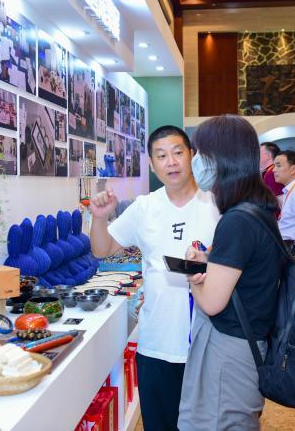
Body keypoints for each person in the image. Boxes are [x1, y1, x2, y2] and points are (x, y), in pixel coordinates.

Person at [89, 126, 220, 431]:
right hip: (156, 345)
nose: (171, 162)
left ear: (192, 155)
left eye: (177, 152)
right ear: (151, 163)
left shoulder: (217, 205)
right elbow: (102, 249)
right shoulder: (144, 207)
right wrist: (99, 217)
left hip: (209, 346)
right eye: (161, 156)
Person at [179, 114, 281, 430]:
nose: (195, 160)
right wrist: (209, 261)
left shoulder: (236, 221)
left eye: (200, 152)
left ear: (223, 158)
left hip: (229, 351)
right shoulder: (257, 210)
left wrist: (192, 272)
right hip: (245, 344)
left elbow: (211, 303)